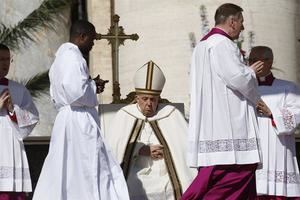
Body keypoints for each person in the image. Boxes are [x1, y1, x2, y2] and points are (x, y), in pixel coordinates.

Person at [32, 20, 129, 200]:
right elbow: (75, 92)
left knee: (67, 168)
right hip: (78, 122)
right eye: (91, 39)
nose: (93, 44)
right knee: (84, 169)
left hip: (68, 120)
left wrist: (91, 84)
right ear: (81, 37)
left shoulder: (60, 59)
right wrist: (93, 87)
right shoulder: (73, 57)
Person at [182, 3, 266, 200]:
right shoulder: (223, 44)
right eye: (241, 22)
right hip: (229, 130)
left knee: (215, 179)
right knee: (233, 176)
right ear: (232, 21)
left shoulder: (202, 45)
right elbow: (237, 78)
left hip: (213, 126)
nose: (242, 27)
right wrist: (252, 71)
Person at [105, 60, 196, 200]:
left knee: (176, 187)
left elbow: (184, 148)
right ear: (137, 99)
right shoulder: (124, 115)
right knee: (132, 188)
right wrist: (140, 149)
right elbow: (112, 149)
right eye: (145, 98)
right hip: (134, 172)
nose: (149, 103)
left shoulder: (171, 113)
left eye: (153, 99)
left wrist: (169, 150)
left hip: (167, 173)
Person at [249, 46, 300, 199]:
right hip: (254, 145)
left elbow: (297, 113)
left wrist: (272, 113)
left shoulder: (287, 87)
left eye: (256, 60)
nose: (253, 64)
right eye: (250, 60)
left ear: (269, 62)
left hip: (278, 145)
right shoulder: (244, 88)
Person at [0, 44, 39, 200]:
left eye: (7, 60)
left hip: (10, 147)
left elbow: (32, 117)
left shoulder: (18, 89)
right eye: (0, 59)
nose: (4, 64)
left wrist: (11, 110)